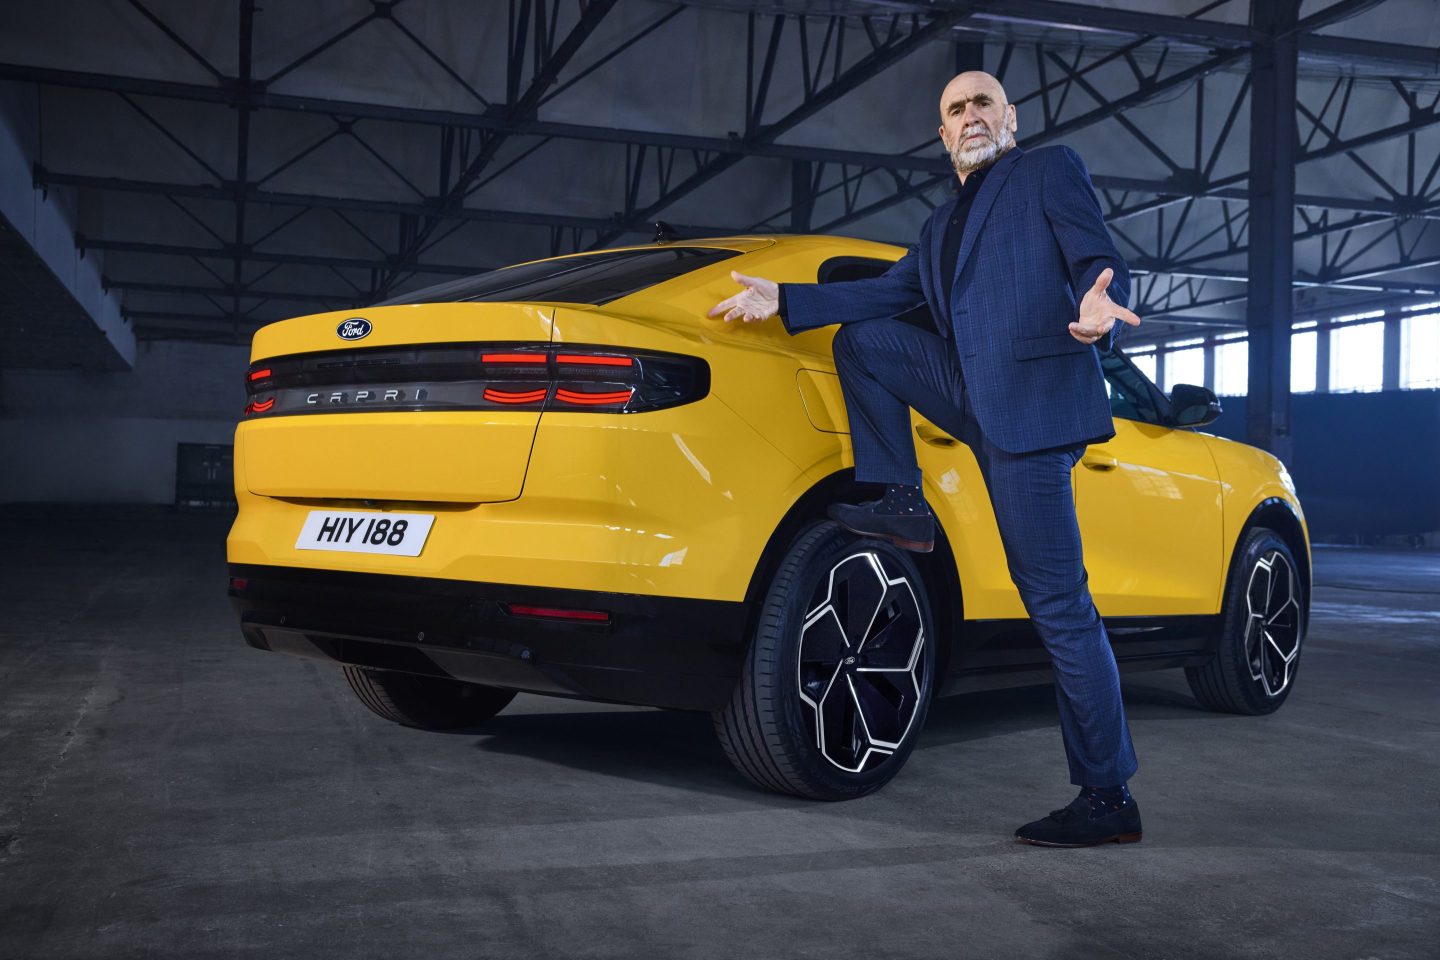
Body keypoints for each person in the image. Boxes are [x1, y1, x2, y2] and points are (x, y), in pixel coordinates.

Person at [706, 71, 1144, 848]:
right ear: (942, 135)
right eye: (955, 109)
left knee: (1060, 608)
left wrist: (1097, 304)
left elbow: (1093, 254)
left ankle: (1108, 797)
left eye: (983, 103)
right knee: (865, 341)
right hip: (970, 394)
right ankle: (900, 499)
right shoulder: (940, 227)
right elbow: (885, 296)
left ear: (1010, 117)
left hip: (1032, 411)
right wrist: (786, 300)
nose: (971, 115)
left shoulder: (1047, 170)